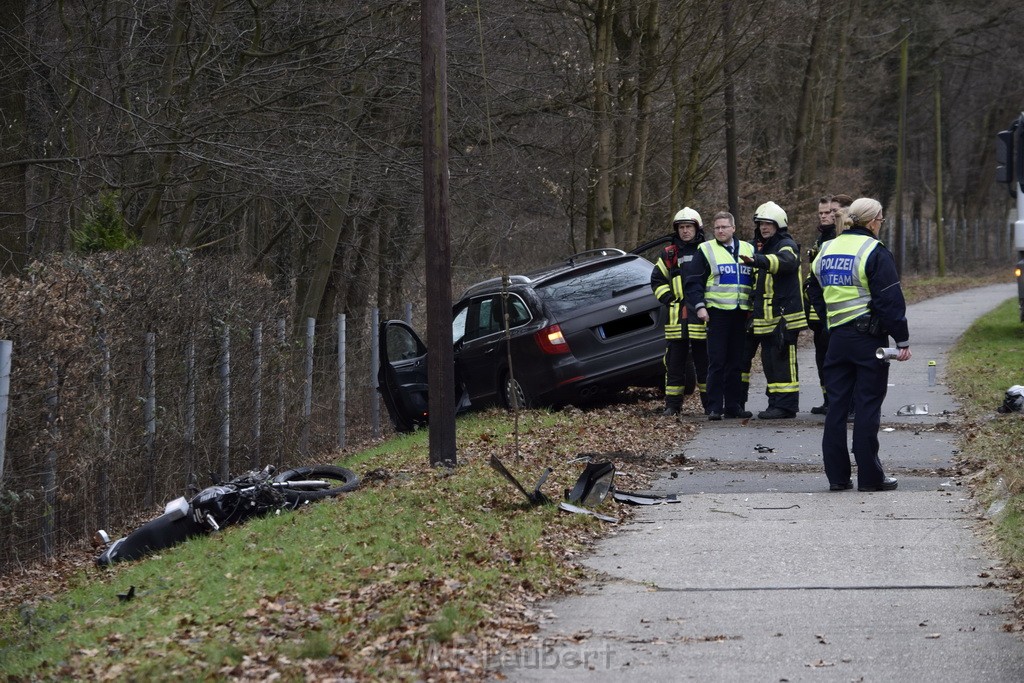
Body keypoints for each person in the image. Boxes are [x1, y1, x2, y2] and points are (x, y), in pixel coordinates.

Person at [808, 197, 911, 492]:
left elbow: (812, 287)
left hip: (836, 339)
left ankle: (838, 478)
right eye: (881, 220)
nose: (881, 224)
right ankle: (870, 477)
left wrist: (829, 316)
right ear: (873, 220)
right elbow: (889, 299)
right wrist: (901, 339)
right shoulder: (874, 251)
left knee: (837, 408)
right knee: (867, 406)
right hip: (868, 340)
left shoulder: (827, 248)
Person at [740, 201, 807, 419]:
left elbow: (787, 261)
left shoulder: (785, 244)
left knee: (783, 363)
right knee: (770, 363)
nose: (764, 228)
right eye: (761, 224)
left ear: (779, 225)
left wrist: (758, 260)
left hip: (784, 317)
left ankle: (786, 406)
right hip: (768, 318)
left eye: (768, 224)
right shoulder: (763, 247)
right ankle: (775, 404)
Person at [684, 211, 754, 421]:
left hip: (741, 313)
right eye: (717, 228)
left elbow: (757, 281)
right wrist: (700, 307)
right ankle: (715, 407)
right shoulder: (705, 250)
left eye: (724, 227)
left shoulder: (749, 249)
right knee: (716, 361)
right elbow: (693, 282)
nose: (721, 231)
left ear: (733, 228)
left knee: (737, 362)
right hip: (716, 313)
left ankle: (734, 406)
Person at [650, 208, 709, 416]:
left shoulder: (706, 250)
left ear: (697, 228)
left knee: (705, 364)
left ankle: (710, 406)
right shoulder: (669, 253)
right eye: (681, 227)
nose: (685, 231)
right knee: (674, 365)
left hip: (701, 318)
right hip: (677, 319)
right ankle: (672, 406)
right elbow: (657, 279)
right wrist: (668, 298)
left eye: (688, 227)